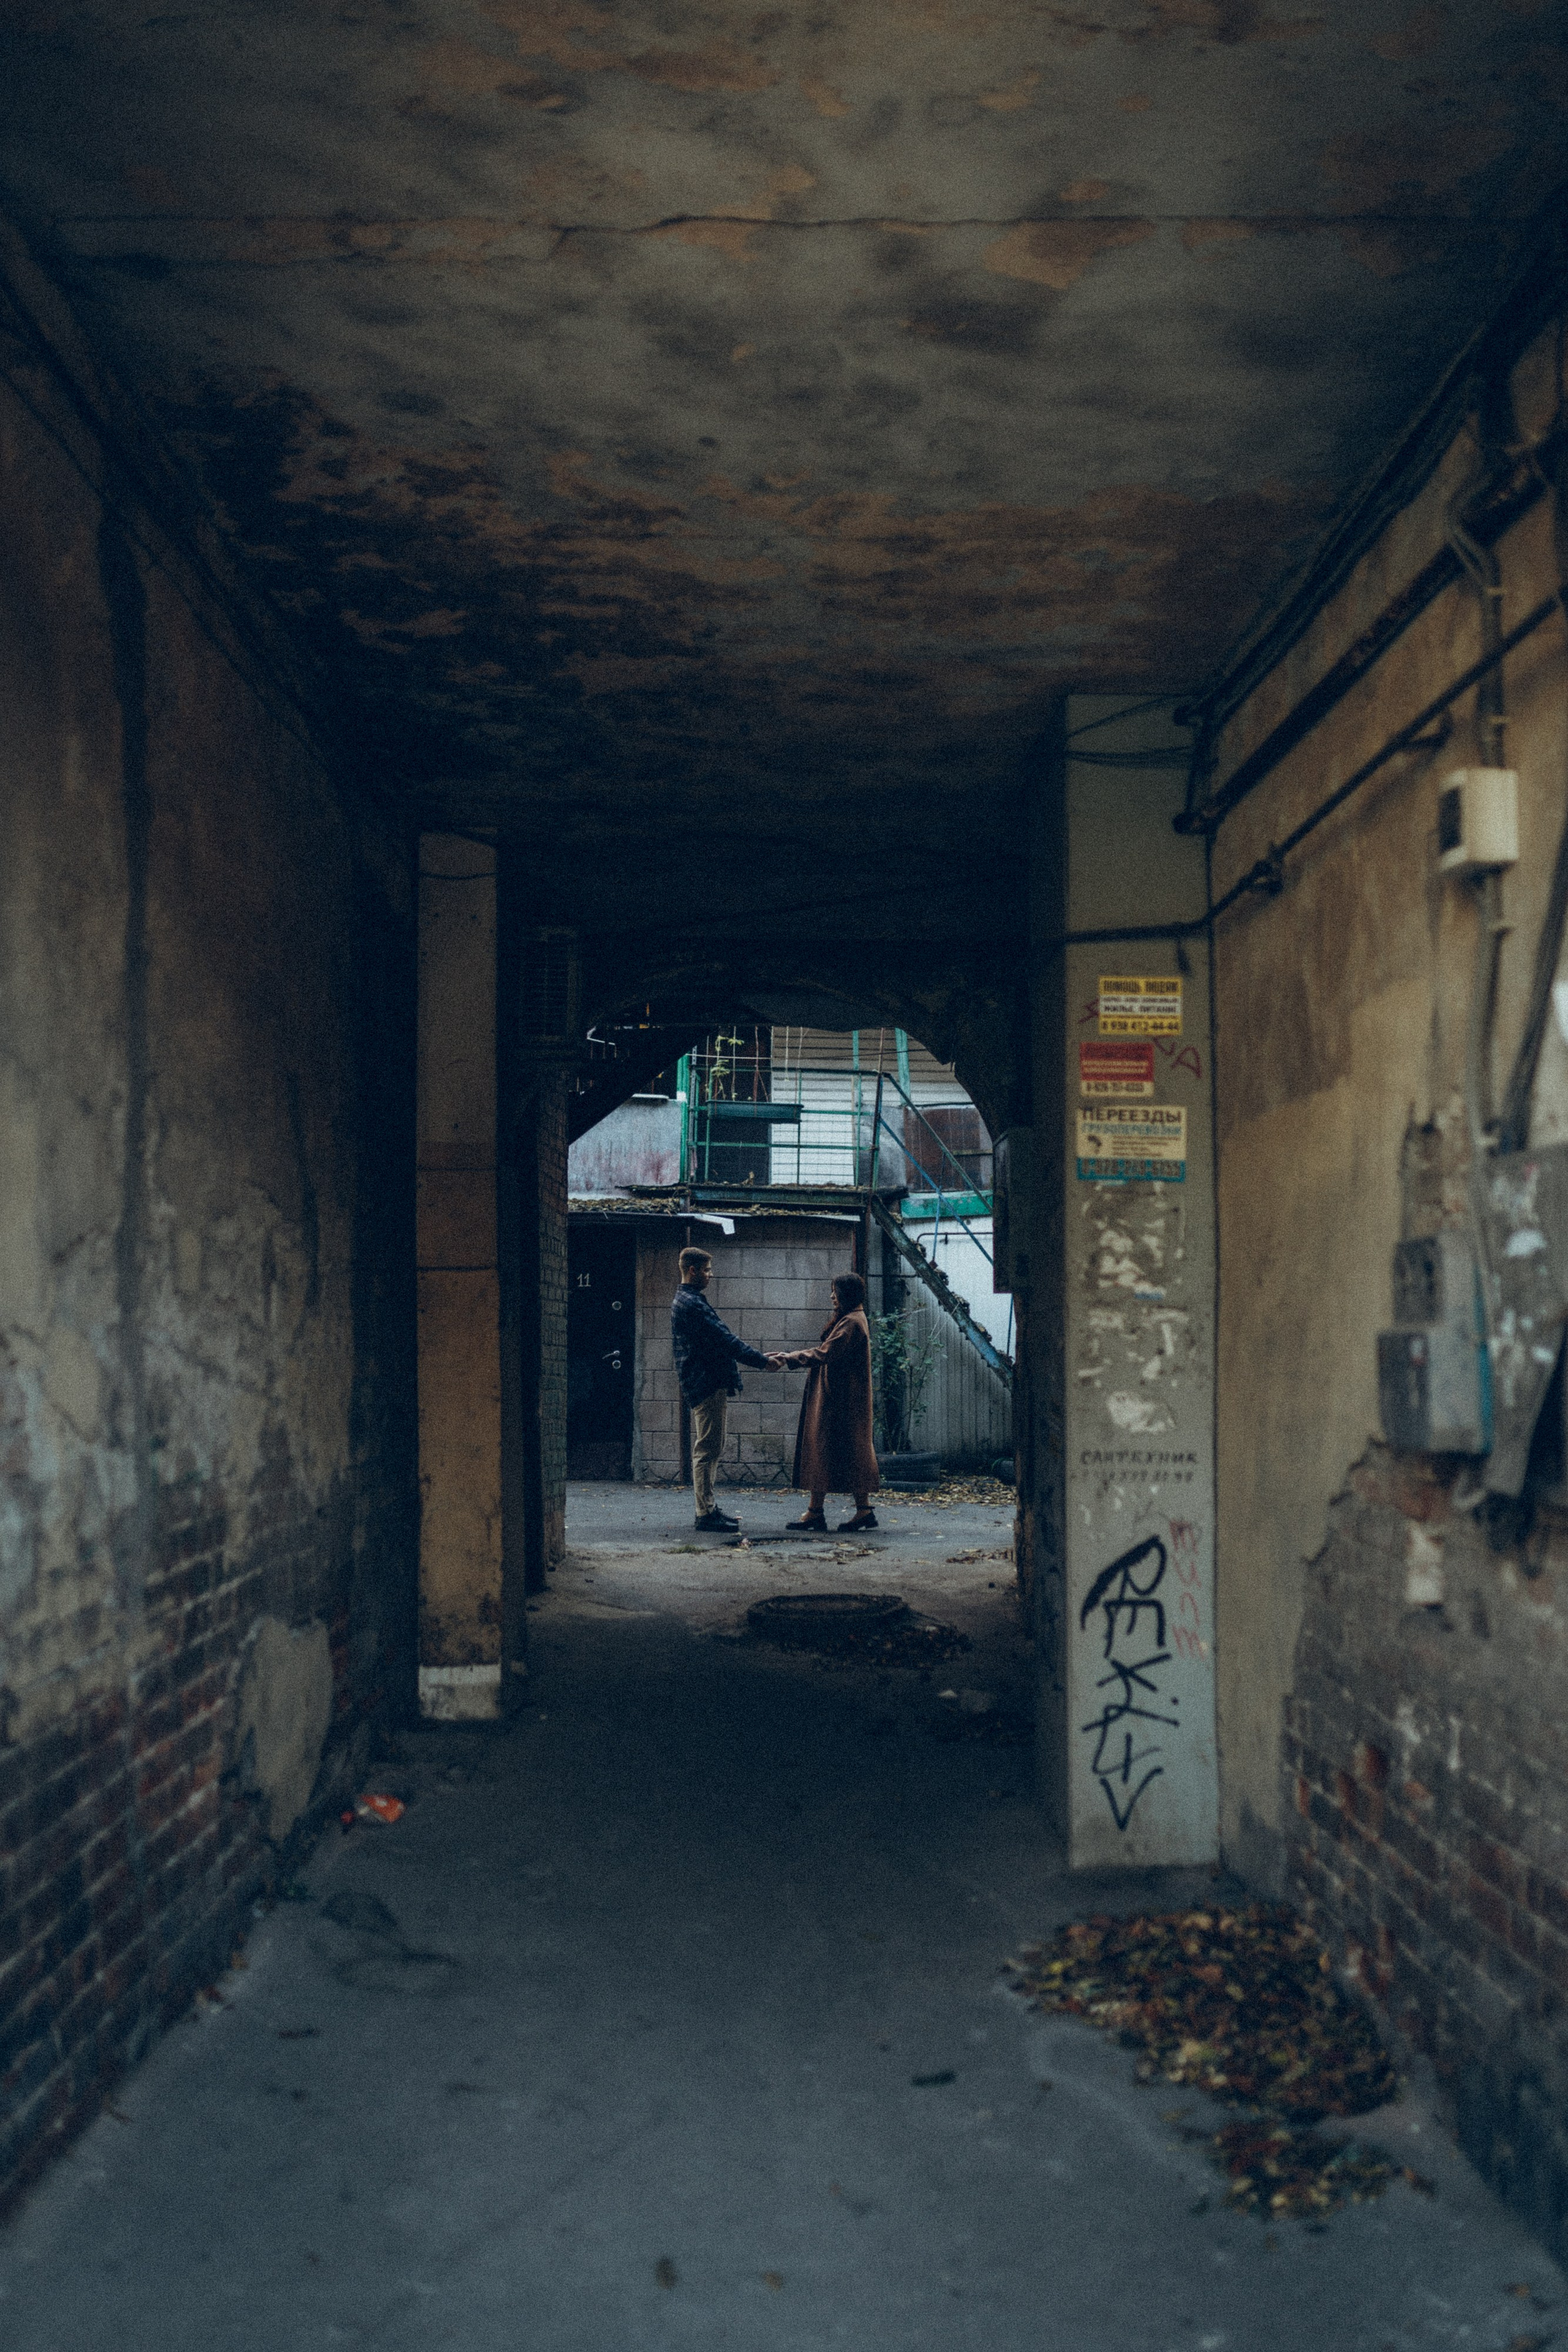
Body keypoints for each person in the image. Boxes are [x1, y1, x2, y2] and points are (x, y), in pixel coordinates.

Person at [671, 1246, 787, 1532]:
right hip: (706, 1381)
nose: (711, 1275)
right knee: (708, 1448)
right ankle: (705, 1513)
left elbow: (722, 1340)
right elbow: (726, 1340)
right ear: (693, 1271)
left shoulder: (690, 1300)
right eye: (707, 1270)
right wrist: (762, 1361)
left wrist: (760, 1359)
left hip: (704, 1380)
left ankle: (708, 1508)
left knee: (711, 1446)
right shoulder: (692, 1304)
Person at [783, 1270, 880, 1532]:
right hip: (840, 1396)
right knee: (838, 1450)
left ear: (846, 1293)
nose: (832, 1296)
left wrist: (788, 1357)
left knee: (828, 1447)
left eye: (835, 1291)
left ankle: (825, 1512)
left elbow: (826, 1353)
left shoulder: (852, 1322)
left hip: (840, 1399)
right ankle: (858, 1510)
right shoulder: (852, 1318)